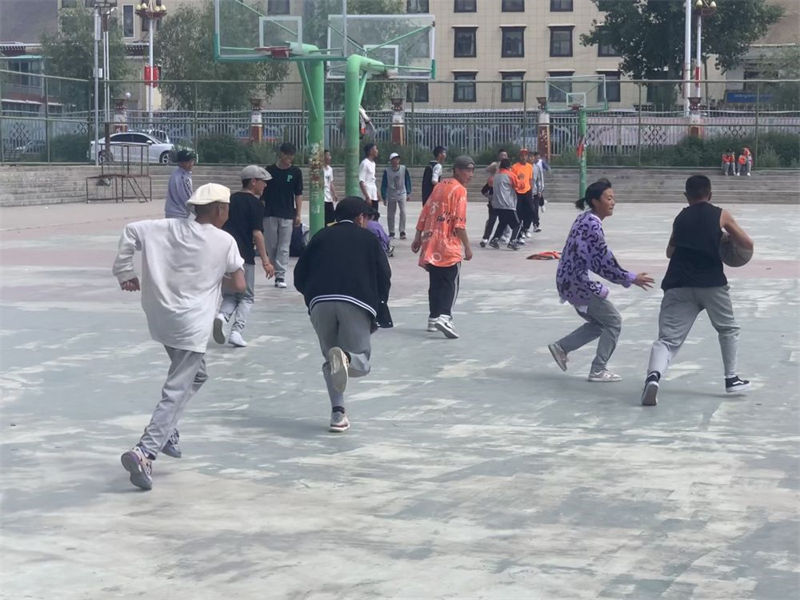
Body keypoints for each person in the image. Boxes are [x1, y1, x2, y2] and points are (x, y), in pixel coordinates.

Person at [113, 183, 245, 490]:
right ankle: (145, 450)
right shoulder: (224, 241)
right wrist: (214, 274)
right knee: (177, 387)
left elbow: (130, 231)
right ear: (218, 209)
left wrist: (125, 272)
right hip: (191, 323)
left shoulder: (163, 228)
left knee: (197, 376)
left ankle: (168, 429)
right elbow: (239, 285)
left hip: (161, 317)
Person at [640, 174, 753, 406]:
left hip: (678, 282)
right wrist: (723, 239)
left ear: (686, 196)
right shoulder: (720, 214)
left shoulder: (680, 218)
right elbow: (747, 243)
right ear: (710, 195)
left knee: (668, 339)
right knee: (727, 328)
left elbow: (669, 252)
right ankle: (731, 379)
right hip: (711, 281)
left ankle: (653, 377)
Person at [293, 197, 391, 433]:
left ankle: (338, 413)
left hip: (320, 303)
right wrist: (378, 309)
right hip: (355, 302)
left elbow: (299, 274)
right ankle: (347, 357)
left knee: (331, 360)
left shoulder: (320, 236)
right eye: (366, 217)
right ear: (360, 217)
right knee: (361, 361)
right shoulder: (368, 239)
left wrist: (312, 297)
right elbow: (384, 275)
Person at [548, 179, 654, 382]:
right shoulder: (592, 225)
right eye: (609, 198)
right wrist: (631, 278)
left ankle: (562, 347)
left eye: (613, 198)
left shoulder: (585, 218)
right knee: (613, 321)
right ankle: (598, 370)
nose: (613, 202)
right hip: (577, 284)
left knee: (600, 324)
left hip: (568, 280)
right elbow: (603, 261)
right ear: (596, 201)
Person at [411, 155, 474, 339]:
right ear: (456, 170)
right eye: (466, 170)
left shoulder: (439, 186)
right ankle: (445, 316)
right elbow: (459, 223)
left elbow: (425, 211)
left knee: (436, 282)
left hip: (431, 242)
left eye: (471, 170)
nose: (469, 174)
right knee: (450, 282)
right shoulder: (460, 190)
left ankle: (433, 317)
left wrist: (418, 237)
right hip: (448, 244)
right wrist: (467, 247)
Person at [214, 165, 276, 348]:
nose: (265, 186)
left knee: (230, 295)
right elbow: (257, 234)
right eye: (263, 182)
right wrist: (266, 261)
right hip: (244, 256)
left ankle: (222, 316)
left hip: (224, 254)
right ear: (253, 181)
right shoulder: (256, 204)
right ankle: (236, 331)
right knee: (247, 297)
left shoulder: (229, 200)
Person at [262, 142, 303, 289]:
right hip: (270, 213)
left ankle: (280, 275)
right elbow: (262, 194)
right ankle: (273, 268)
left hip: (287, 214)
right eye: (287, 156)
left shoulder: (296, 172)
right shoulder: (269, 171)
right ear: (281, 154)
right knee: (271, 245)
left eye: (292, 156)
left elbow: (298, 195)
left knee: (284, 247)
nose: (289, 159)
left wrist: (298, 214)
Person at [487, 158, 523, 250]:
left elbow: (490, 184)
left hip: (497, 205)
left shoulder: (496, 176)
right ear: (508, 166)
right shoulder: (510, 175)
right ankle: (512, 241)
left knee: (503, 222)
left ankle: (494, 239)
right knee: (518, 224)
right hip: (507, 204)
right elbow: (519, 186)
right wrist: (521, 179)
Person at [480, 148, 509, 247]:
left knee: (504, 219)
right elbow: (484, 189)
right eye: (502, 155)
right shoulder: (495, 168)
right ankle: (485, 238)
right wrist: (490, 197)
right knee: (492, 219)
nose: (503, 157)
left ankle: (500, 237)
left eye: (505, 155)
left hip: (504, 197)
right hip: (494, 196)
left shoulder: (509, 171)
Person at [380, 152, 411, 239]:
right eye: (394, 159)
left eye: (397, 159)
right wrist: (384, 196)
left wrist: (408, 192)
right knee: (390, 214)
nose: (396, 161)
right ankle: (392, 231)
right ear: (391, 161)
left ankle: (402, 231)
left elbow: (407, 180)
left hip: (402, 192)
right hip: (391, 193)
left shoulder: (403, 169)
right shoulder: (387, 171)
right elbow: (384, 184)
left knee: (403, 212)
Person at [510, 149, 534, 244]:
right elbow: (512, 180)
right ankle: (519, 235)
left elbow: (530, 179)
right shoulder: (514, 167)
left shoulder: (529, 167)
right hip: (518, 193)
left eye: (525, 155)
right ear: (519, 156)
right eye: (522, 155)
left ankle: (525, 228)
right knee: (519, 214)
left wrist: (531, 191)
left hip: (527, 191)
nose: (523, 157)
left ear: (527, 157)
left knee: (531, 211)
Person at [164, 149, 196, 218]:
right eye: (188, 161)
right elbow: (188, 199)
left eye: (192, 161)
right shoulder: (184, 178)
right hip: (180, 214)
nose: (191, 164)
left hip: (171, 212)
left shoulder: (175, 173)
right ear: (180, 163)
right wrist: (199, 214)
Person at [358, 143, 381, 211]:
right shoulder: (364, 163)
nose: (377, 151)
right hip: (367, 195)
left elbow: (372, 180)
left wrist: (377, 193)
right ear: (370, 151)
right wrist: (367, 197)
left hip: (373, 194)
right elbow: (361, 181)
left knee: (375, 215)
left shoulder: (373, 163)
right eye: (375, 149)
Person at [323, 149, 338, 225]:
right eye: (328, 155)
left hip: (329, 198)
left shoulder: (330, 169)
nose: (330, 157)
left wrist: (334, 194)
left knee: (331, 220)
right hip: (322, 199)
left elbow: (331, 183)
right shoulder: (319, 169)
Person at [531, 151, 545, 223]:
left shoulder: (537, 167)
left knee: (535, 209)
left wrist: (540, 190)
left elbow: (539, 180)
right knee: (530, 209)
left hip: (535, 191)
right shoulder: (525, 167)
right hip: (526, 192)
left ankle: (536, 224)